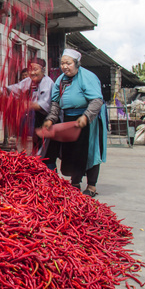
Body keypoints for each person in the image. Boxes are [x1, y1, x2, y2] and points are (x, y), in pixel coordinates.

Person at [42, 48, 107, 197]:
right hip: (70, 118)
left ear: (77, 63)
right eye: (63, 63)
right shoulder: (60, 79)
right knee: (72, 151)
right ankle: (75, 182)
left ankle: (91, 186)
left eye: (68, 63)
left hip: (88, 119)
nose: (65, 66)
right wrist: (51, 119)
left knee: (90, 151)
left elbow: (97, 100)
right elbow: (56, 102)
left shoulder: (87, 77)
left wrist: (86, 117)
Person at [0, 58, 55, 166]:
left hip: (46, 120)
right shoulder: (28, 81)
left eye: (35, 69)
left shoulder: (48, 84)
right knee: (31, 151)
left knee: (46, 152)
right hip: (32, 119)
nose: (32, 72)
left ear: (43, 70)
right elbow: (14, 89)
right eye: (30, 69)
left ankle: (49, 174)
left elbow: (44, 105)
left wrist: (24, 105)